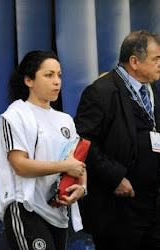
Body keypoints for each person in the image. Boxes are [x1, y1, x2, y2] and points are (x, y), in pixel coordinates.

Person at [74, 30, 160, 250]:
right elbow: (84, 142)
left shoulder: (152, 90)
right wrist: (115, 178)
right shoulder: (101, 92)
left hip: (152, 205)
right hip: (118, 207)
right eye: (156, 59)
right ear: (134, 61)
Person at [0, 50, 87, 250]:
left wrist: (81, 187)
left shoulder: (65, 120)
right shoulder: (15, 116)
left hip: (58, 212)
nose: (57, 81)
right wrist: (65, 166)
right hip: (25, 207)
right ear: (28, 80)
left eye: (59, 75)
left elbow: (77, 164)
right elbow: (20, 165)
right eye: (49, 75)